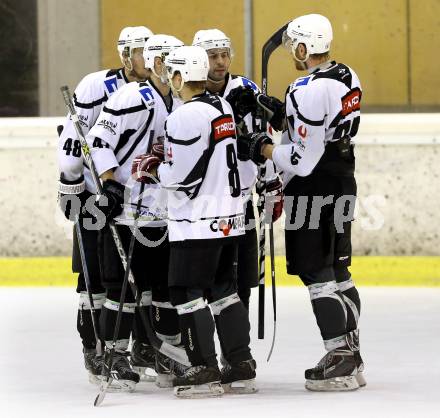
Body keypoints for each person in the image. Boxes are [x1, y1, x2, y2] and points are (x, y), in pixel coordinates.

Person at [237, 14, 364, 391]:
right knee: (340, 270)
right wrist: (274, 108)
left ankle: (339, 355)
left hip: (313, 187)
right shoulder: (347, 75)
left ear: (306, 47)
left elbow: (302, 159)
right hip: (343, 178)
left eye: (295, 44)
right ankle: (352, 355)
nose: (292, 50)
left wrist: (263, 147)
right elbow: (318, 127)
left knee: (316, 272)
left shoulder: (306, 88)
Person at [133, 45, 257, 398]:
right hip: (230, 218)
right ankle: (240, 364)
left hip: (196, 221)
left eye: (171, 73)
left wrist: (153, 168)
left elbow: (180, 179)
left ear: (179, 76)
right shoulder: (224, 107)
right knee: (223, 291)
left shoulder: (183, 116)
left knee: (185, 292)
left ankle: (202, 368)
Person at [85, 34, 184, 391]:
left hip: (163, 213)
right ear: (159, 63)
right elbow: (98, 141)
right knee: (121, 289)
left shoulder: (179, 100)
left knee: (164, 289)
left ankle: (166, 353)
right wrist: (109, 183)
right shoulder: (132, 97)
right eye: (171, 61)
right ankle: (113, 356)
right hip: (128, 213)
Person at [57, 25, 153, 385]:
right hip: (99, 196)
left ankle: (137, 345)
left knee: (136, 276)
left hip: (141, 201)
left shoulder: (158, 89)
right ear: (126, 55)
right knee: (95, 276)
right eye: (143, 51)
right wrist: (71, 184)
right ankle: (94, 346)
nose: (151, 58)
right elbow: (72, 138)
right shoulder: (96, 86)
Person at [192, 29, 283, 312]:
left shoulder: (248, 88)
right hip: (199, 203)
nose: (220, 62)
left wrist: (271, 185)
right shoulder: (187, 90)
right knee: (200, 280)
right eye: (212, 56)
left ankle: (235, 351)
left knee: (242, 281)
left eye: (224, 54)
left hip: (240, 199)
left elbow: (264, 141)